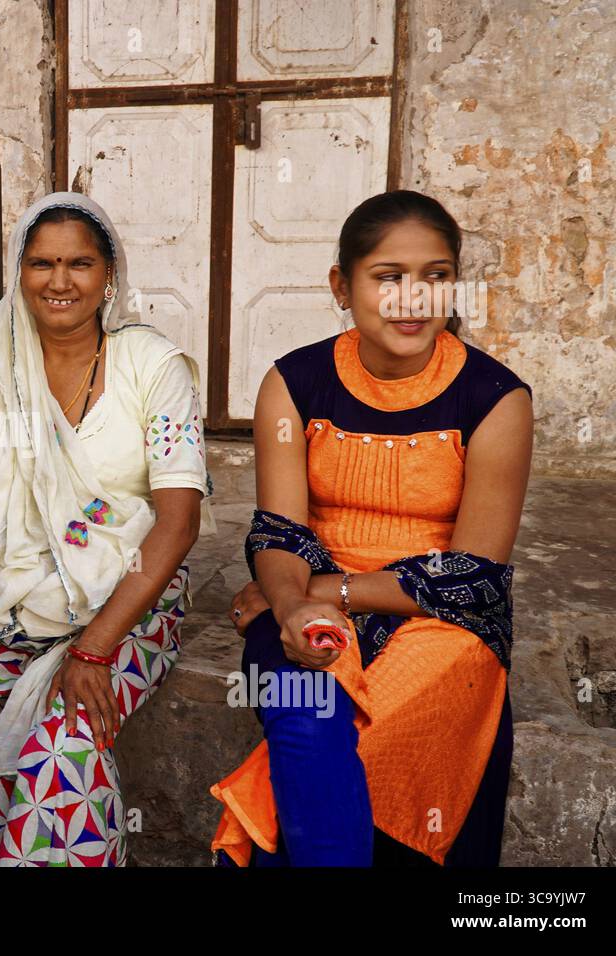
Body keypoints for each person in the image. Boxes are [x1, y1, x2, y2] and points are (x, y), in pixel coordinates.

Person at [0, 192, 214, 866]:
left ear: (110, 276)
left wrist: (94, 650)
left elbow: (178, 522)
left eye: (79, 263)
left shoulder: (153, 368)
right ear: (19, 273)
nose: (60, 281)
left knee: (57, 756)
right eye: (42, 263)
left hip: (124, 605)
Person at [212, 190, 532, 866]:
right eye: (389, 277)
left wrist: (317, 591)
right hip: (310, 599)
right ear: (342, 285)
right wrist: (293, 604)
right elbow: (279, 532)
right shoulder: (294, 384)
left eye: (436, 276)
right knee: (305, 715)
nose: (413, 299)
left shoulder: (495, 398)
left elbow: (471, 577)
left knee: (387, 732)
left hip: (444, 622)